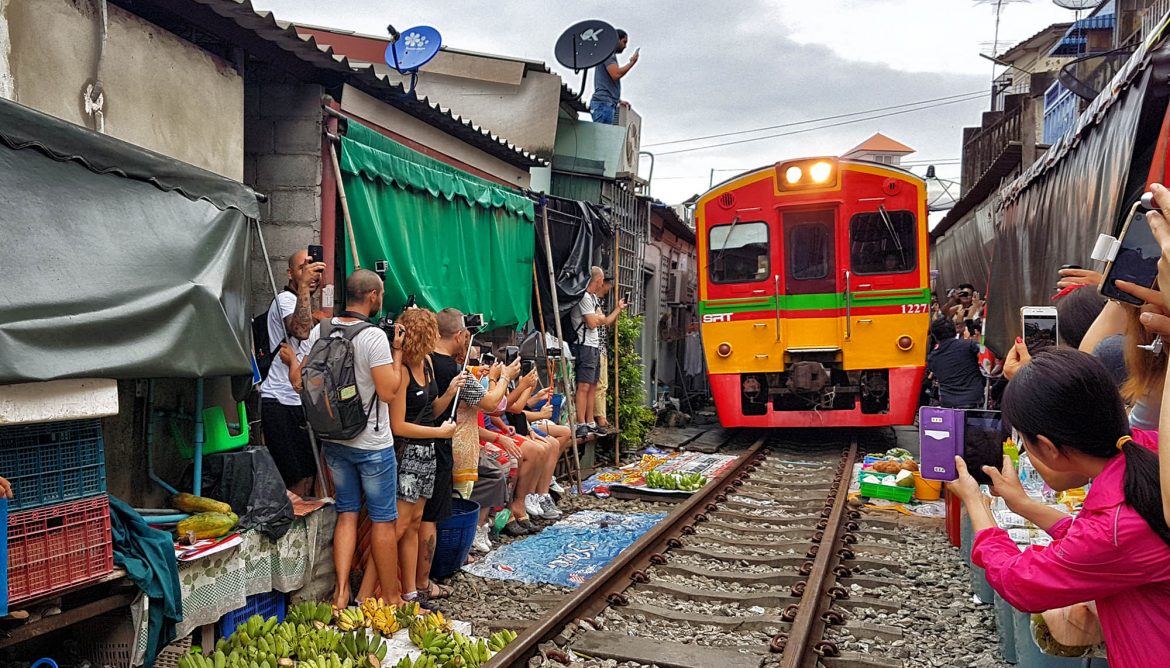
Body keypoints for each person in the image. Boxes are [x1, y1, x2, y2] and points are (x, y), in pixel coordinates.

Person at [948, 348, 1170, 667]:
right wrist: (1023, 504)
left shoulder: (1115, 528)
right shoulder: (1152, 448)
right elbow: (1097, 549)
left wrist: (974, 502)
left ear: (1050, 448)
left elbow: (1019, 581)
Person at [287, 269, 404, 609]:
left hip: (334, 441)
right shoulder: (373, 338)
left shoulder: (321, 329)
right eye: (380, 295)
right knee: (384, 520)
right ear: (372, 297)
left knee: (347, 513)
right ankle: (392, 597)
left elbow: (299, 380)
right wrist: (396, 356)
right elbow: (387, 391)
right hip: (371, 445)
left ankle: (340, 593)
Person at [416, 308, 516, 603]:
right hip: (450, 446)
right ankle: (427, 576)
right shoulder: (454, 372)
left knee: (413, 519)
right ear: (460, 336)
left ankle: (416, 579)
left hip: (416, 443)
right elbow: (491, 404)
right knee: (431, 517)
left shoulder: (423, 363)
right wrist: (505, 377)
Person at [388, 308, 459, 605]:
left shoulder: (428, 364)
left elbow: (432, 411)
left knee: (416, 522)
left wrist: (450, 391)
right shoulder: (401, 369)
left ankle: (411, 590)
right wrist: (438, 434)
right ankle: (380, 588)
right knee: (402, 524)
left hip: (428, 452)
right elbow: (398, 425)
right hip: (408, 453)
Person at [261, 249, 325, 497]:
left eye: (314, 268)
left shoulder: (306, 305)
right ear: (290, 273)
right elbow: (300, 329)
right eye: (302, 268)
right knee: (295, 480)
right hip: (280, 400)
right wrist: (304, 287)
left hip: (300, 399)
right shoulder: (286, 300)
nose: (311, 274)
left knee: (308, 478)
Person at [572, 267, 626, 439]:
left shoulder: (594, 298)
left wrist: (617, 309)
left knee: (593, 386)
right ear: (596, 281)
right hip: (584, 345)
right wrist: (598, 318)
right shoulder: (584, 297)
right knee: (584, 386)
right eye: (601, 281)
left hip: (594, 346)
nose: (603, 284)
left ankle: (590, 421)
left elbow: (604, 320)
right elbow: (593, 323)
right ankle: (581, 422)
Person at [925, 317, 984, 408]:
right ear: (954, 331)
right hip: (973, 400)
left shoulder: (932, 357)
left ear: (935, 336)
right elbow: (984, 358)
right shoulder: (968, 345)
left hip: (948, 403)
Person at [590, 29, 638, 125]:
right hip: (603, 103)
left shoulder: (607, 54)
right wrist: (632, 63)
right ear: (617, 40)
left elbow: (607, 81)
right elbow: (616, 74)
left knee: (603, 137)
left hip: (606, 103)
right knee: (603, 138)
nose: (625, 46)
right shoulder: (608, 54)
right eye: (624, 42)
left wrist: (618, 100)